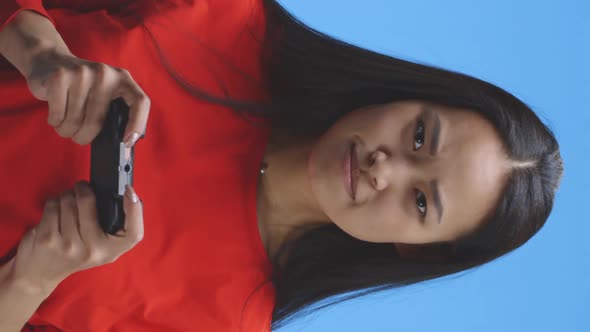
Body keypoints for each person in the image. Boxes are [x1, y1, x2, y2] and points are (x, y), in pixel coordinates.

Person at [0, 0, 563, 331]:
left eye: (420, 202)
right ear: (408, 93)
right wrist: (40, 50)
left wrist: (32, 276)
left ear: (416, 249)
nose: (383, 169)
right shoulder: (230, 16)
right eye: (419, 134)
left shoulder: (226, 322)